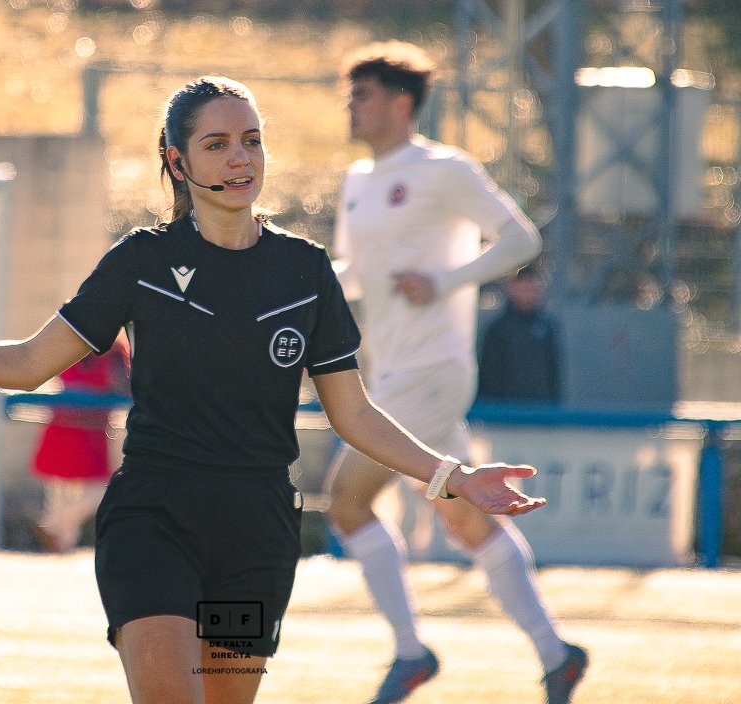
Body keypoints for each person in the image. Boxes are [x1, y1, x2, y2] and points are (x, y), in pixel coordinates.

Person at [0, 75, 547, 704]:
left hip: (255, 534)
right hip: (153, 521)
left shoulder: (306, 271)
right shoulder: (140, 261)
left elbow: (353, 412)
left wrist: (453, 476)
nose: (241, 159)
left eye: (253, 141)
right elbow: (30, 360)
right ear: (177, 160)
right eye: (218, 144)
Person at [324, 42, 587, 704]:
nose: (352, 106)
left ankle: (411, 654)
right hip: (389, 376)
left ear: (402, 102)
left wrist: (444, 280)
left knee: (347, 500)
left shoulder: (443, 169)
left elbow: (521, 239)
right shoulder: (357, 181)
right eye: (350, 94)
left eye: (365, 94)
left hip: (434, 373)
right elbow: (352, 273)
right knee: (465, 518)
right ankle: (558, 655)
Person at [31, 335, 130, 552]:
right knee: (60, 497)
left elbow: (122, 386)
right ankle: (56, 537)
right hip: (66, 427)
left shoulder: (112, 350)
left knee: (95, 493)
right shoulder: (70, 341)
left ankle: (53, 527)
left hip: (89, 432)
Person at [478, 263, 561, 403]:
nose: (528, 291)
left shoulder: (548, 327)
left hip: (541, 410)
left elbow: (553, 372)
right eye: (523, 286)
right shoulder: (497, 329)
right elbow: (489, 375)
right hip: (504, 412)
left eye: (532, 286)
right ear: (511, 289)